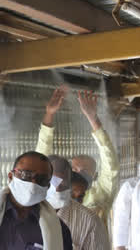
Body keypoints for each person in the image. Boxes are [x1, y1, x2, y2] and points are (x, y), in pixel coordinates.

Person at [37, 86, 119, 225]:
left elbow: (110, 162)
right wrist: (49, 114)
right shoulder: (53, 194)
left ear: (94, 176)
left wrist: (93, 119)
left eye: (83, 170)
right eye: (73, 169)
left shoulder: (100, 196)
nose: (76, 173)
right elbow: (40, 162)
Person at [46, 155, 112, 250]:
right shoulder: (25, 214)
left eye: (63, 183)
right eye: (53, 182)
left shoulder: (89, 220)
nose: (58, 188)